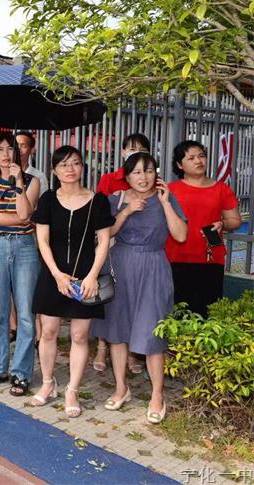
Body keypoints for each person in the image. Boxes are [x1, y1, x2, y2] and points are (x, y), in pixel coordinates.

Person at [91, 153, 187, 424]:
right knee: (117, 331)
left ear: (156, 173)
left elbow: (180, 235)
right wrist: (126, 211)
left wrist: (165, 203)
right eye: (137, 172)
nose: (143, 177)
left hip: (154, 266)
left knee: (152, 330)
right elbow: (106, 234)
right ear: (127, 175)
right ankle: (121, 388)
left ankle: (157, 395)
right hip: (121, 265)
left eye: (149, 171)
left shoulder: (166, 198)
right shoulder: (116, 199)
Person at [29, 146, 114, 418]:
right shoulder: (47, 199)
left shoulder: (98, 200)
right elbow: (42, 240)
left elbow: (103, 242)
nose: (70, 169)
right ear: (54, 170)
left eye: (75, 163)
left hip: (86, 276)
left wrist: (92, 276)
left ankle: (72, 390)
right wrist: (56, 274)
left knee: (79, 335)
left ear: (82, 167)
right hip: (53, 274)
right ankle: (48, 383)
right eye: (64, 164)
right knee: (48, 331)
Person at [0, 133, 41, 396]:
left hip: (25, 248)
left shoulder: (33, 181)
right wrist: (21, 219)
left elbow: (25, 212)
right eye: (0, 149)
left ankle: (21, 373)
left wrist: (19, 182)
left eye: (10, 149)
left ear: (19, 152)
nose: (5, 154)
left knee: (25, 313)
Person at [93, 134, 150, 374]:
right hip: (113, 241)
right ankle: (101, 346)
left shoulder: (151, 180)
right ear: (122, 152)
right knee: (110, 296)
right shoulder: (110, 179)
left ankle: (132, 352)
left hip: (139, 247)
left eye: (141, 148)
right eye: (131, 148)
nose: (135, 152)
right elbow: (100, 211)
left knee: (133, 301)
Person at [166, 140, 241, 318]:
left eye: (201, 156)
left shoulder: (221, 189)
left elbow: (235, 220)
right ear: (179, 165)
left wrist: (223, 223)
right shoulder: (170, 190)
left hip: (210, 257)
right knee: (176, 311)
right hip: (176, 255)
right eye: (191, 158)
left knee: (208, 311)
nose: (198, 161)